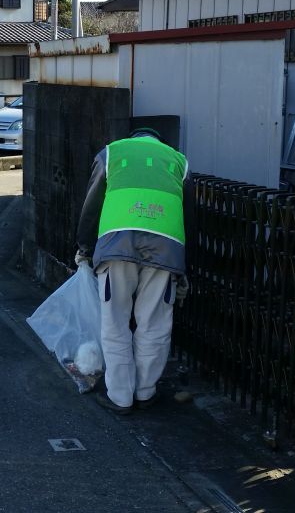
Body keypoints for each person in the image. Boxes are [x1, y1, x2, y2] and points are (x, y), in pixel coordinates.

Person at [75, 128, 190, 414]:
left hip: (116, 244)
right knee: (154, 323)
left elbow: (92, 205)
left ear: (133, 138)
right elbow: (188, 216)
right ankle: (145, 392)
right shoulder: (179, 161)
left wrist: (84, 248)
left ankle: (120, 397)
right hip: (166, 249)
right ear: (159, 142)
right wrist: (184, 268)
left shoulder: (111, 153)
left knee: (115, 321)